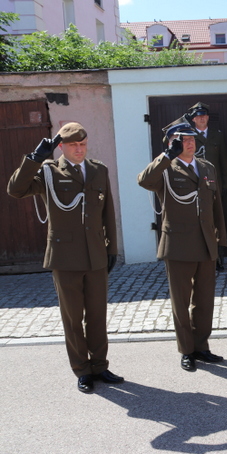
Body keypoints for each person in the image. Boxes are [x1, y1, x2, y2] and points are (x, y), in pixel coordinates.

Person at [7, 122, 123, 393]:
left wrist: (111, 249)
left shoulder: (98, 169)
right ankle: (82, 370)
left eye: (82, 144)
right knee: (72, 317)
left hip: (95, 254)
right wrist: (34, 159)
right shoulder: (48, 172)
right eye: (73, 145)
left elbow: (108, 211)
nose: (79, 149)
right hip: (64, 255)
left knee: (97, 314)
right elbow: (15, 189)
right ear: (62, 146)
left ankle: (100, 366)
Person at [138, 122, 227, 372]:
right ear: (171, 142)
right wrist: (168, 155)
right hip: (178, 244)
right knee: (181, 301)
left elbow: (216, 205)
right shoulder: (166, 168)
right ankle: (186, 350)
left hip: (206, 241)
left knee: (204, 299)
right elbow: (144, 180)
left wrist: (221, 238)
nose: (190, 143)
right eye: (183, 140)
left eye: (191, 139)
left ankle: (202, 346)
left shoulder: (207, 167)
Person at [187, 102, 227, 271]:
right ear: (193, 119)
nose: (202, 118)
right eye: (198, 116)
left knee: (217, 221)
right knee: (201, 221)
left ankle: (218, 258)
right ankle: (202, 256)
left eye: (204, 116)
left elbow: (223, 160)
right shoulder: (187, 135)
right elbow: (166, 139)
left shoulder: (216, 135)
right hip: (196, 186)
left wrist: (226, 182)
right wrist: (182, 122)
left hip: (215, 184)